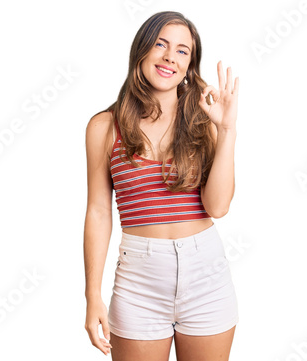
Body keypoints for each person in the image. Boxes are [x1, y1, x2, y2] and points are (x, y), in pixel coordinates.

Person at [84, 10, 240, 361]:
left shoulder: (205, 121)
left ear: (189, 65)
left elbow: (218, 207)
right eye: (161, 44)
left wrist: (227, 130)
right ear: (142, 50)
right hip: (139, 279)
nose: (171, 56)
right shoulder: (104, 127)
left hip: (206, 273)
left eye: (183, 50)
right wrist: (92, 294)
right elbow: (97, 211)